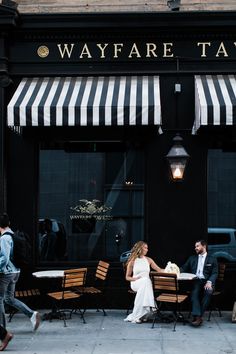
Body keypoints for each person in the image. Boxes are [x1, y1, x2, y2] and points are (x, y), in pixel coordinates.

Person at [0, 213, 40, 331]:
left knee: (0, 299)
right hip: (16, 272)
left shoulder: (4, 238)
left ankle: (3, 332)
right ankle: (32, 314)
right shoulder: (13, 235)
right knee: (9, 299)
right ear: (9, 224)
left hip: (6, 274)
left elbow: (4, 258)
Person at [180, 239, 218, 327]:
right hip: (196, 280)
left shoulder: (212, 259)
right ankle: (198, 317)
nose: (195, 248)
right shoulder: (192, 258)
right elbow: (184, 268)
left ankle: (198, 316)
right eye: (195, 246)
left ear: (204, 246)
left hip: (207, 281)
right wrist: (174, 270)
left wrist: (209, 282)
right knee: (195, 292)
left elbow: (215, 273)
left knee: (208, 291)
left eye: (197, 246)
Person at [124, 241, 163, 323]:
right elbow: (127, 277)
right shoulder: (132, 261)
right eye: (145, 248)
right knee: (146, 281)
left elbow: (159, 270)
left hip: (145, 284)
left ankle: (140, 316)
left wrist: (170, 270)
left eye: (147, 248)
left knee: (146, 281)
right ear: (140, 249)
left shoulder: (149, 260)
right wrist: (135, 279)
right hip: (135, 283)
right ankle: (146, 311)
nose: (147, 250)